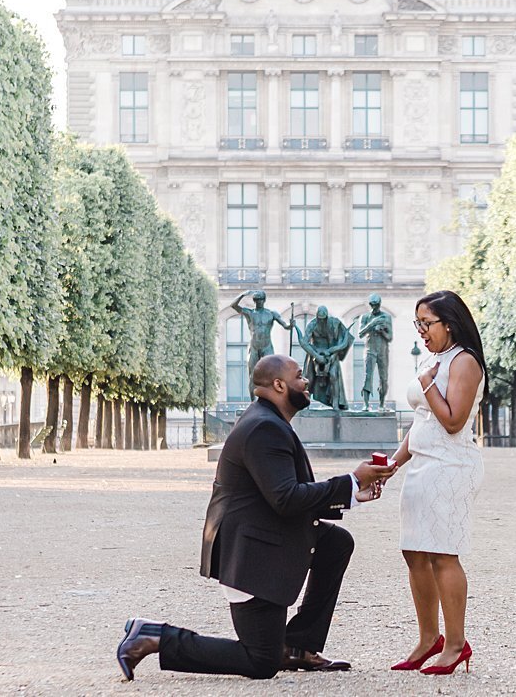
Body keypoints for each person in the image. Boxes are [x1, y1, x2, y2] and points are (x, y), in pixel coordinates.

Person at [116, 354, 398, 681]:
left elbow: (280, 494)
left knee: (335, 542)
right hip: (249, 554)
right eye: (299, 376)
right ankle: (152, 636)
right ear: (279, 385)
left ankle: (297, 646)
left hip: (259, 535)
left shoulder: (267, 421)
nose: (306, 382)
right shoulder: (265, 427)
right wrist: (351, 480)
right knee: (261, 661)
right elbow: (286, 498)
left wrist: (352, 494)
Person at [387, 290, 486, 676]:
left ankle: (457, 643)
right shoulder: (434, 359)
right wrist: (393, 463)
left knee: (443, 553)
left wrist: (428, 382)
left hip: (451, 466)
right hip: (423, 465)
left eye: (426, 324)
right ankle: (430, 638)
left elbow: (453, 421)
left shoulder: (464, 362)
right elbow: (423, 422)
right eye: (418, 324)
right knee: (414, 551)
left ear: (450, 323)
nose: (421, 332)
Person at [294, 306, 352, 410]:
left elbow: (341, 342)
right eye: (319, 318)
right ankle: (304, 403)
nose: (321, 320)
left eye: (323, 318)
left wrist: (333, 355)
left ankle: (335, 403)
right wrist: (316, 356)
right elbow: (305, 343)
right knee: (309, 378)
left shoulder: (334, 323)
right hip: (315, 353)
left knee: (334, 375)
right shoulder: (312, 325)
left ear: (326, 317)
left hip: (331, 353)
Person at [231, 290, 294, 378]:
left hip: (267, 346)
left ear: (264, 300)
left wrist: (291, 324)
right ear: (254, 301)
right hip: (254, 347)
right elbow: (233, 305)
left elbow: (285, 326)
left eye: (261, 299)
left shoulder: (272, 314)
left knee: (271, 372)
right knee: (252, 376)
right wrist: (242, 295)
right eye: (256, 299)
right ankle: (253, 391)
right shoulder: (249, 313)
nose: (259, 301)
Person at [357, 294, 393, 408]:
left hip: (382, 351)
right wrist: (372, 324)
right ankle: (366, 404)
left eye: (376, 305)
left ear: (379, 304)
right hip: (370, 350)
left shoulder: (386, 317)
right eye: (372, 305)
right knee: (368, 376)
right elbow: (360, 333)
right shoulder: (365, 317)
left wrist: (382, 331)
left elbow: (390, 337)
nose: (374, 307)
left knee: (384, 378)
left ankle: (382, 404)